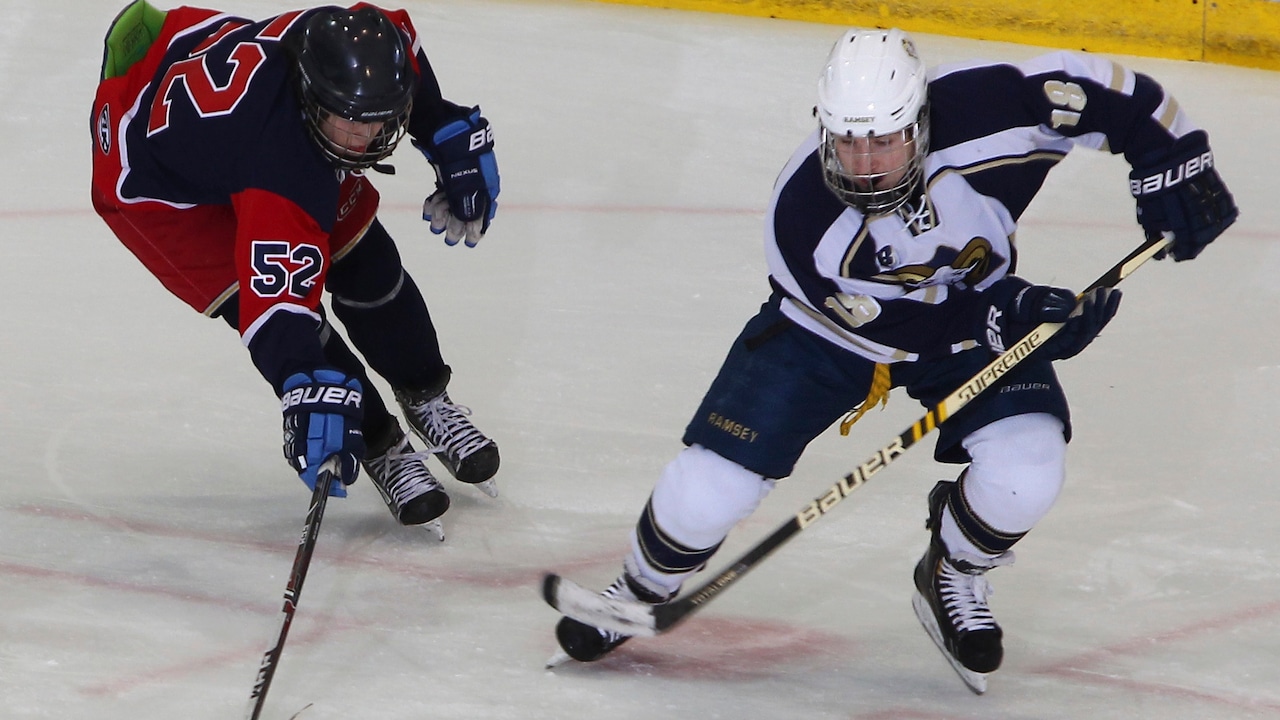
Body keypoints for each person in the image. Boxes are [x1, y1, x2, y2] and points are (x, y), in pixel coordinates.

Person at [551, 28, 1237, 691]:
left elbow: (1106, 87)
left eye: (884, 140)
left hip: (975, 321)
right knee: (704, 493)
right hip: (829, 337)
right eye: (849, 143)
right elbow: (902, 324)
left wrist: (1173, 159)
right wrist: (1011, 317)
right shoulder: (803, 217)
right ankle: (638, 588)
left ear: (920, 120)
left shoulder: (993, 109)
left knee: (1028, 469)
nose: (867, 162)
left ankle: (954, 571)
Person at [90, 1, 505, 538]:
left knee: (366, 262)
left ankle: (427, 397)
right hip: (152, 188)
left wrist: (442, 126)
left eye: (379, 119)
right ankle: (383, 445)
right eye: (350, 124)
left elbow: (404, 60)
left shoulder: (354, 50)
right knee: (301, 336)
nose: (366, 139)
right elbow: (280, 312)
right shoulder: (282, 168)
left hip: (200, 75)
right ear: (313, 100)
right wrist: (301, 385)